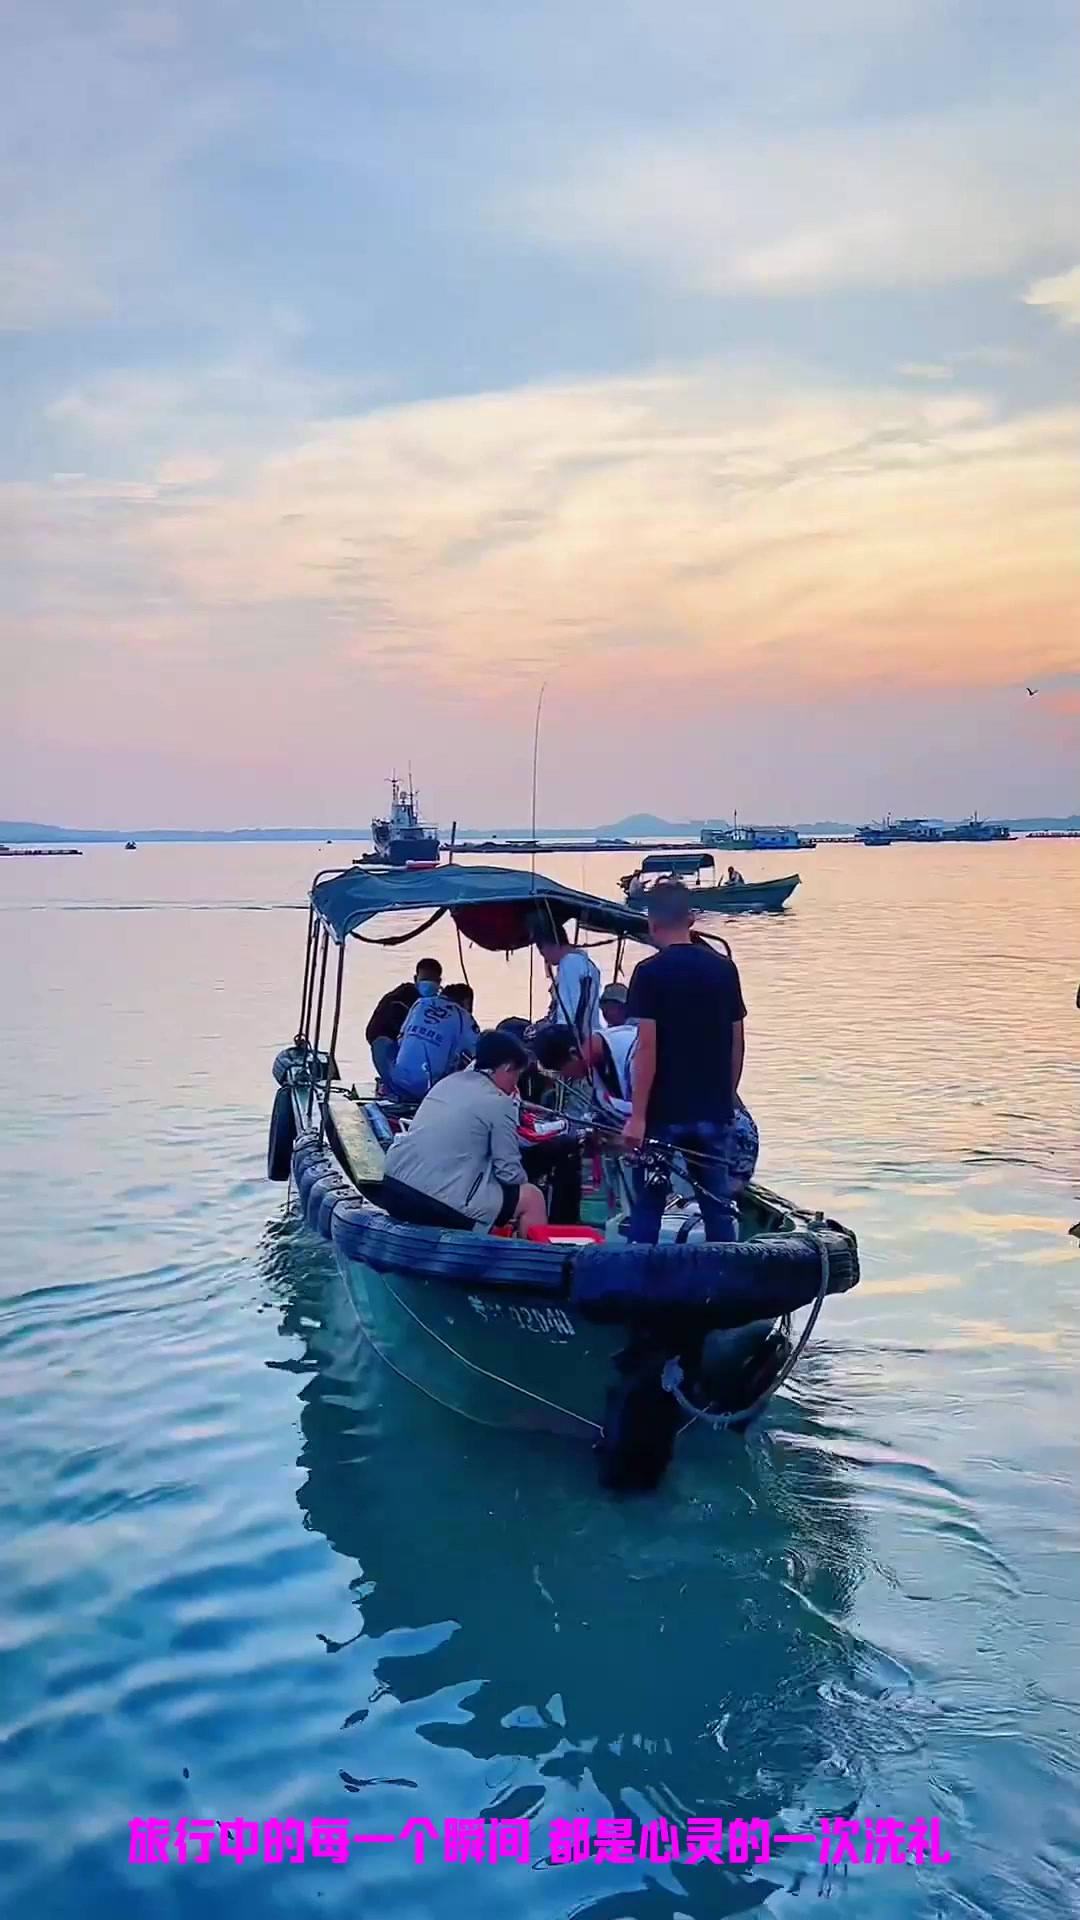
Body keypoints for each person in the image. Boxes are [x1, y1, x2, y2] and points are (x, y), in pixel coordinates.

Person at [621, 883, 746, 1244]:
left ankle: (641, 1284)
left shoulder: (649, 973)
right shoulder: (725, 970)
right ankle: (724, 1281)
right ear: (691, 919)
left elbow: (646, 1050)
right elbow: (737, 1043)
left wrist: (638, 1115)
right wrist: (728, 1096)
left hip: (663, 1115)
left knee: (649, 1204)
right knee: (716, 1205)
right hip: (713, 1110)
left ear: (651, 922)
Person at [382, 1029, 547, 1236]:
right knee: (532, 1198)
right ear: (506, 1068)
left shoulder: (448, 1082)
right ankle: (534, 1262)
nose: (515, 1084)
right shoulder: (500, 1102)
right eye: (517, 1075)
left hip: (393, 1186)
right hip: (437, 1203)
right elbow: (508, 1172)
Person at [385, 979, 479, 1101]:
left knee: (384, 1044)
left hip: (398, 1080)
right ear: (466, 1003)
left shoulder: (420, 1003)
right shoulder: (464, 1017)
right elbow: (478, 1052)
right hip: (428, 1089)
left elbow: (400, 1039)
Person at [534, 1020, 638, 1124]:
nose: (565, 1078)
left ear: (573, 1053)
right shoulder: (600, 1090)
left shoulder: (630, 1048)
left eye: (560, 1071)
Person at [366, 958, 443, 1083]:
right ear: (415, 979)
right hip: (389, 1048)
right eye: (424, 979)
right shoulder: (399, 999)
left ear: (439, 982)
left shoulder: (441, 1004)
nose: (428, 984)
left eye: (432, 980)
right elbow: (373, 1031)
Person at [530, 915, 601, 1046]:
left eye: (544, 954)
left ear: (553, 944)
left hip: (578, 1039)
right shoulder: (586, 963)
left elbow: (568, 1009)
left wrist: (557, 1037)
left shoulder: (569, 963)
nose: (546, 961)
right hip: (590, 1033)